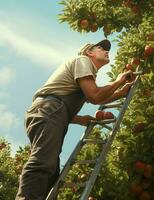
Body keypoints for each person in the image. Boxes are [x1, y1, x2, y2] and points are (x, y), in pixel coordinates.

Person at [15, 39, 133, 200]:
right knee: (43, 163)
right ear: (88, 52)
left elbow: (95, 98)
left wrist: (81, 118)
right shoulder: (82, 61)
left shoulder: (85, 73)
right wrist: (119, 81)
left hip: (50, 111)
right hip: (49, 109)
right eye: (100, 48)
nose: (106, 51)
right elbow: (95, 95)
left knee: (51, 172)